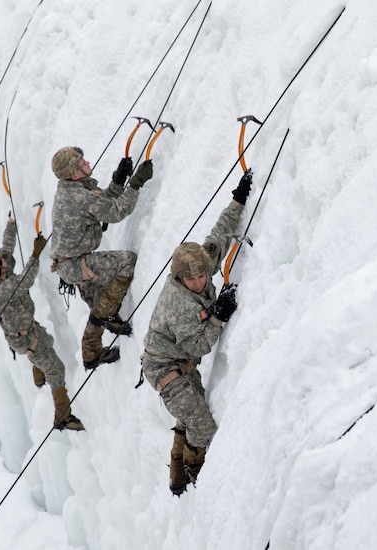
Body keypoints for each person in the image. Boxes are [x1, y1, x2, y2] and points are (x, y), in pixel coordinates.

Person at [141, 169, 253, 496]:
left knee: (190, 417)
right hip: (166, 369)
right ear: (179, 279)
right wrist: (218, 316)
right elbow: (201, 344)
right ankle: (194, 468)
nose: (200, 282)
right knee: (202, 428)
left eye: (203, 276)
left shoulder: (198, 266)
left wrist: (238, 198)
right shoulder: (179, 306)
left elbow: (218, 235)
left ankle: (177, 475)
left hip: (179, 363)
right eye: (192, 281)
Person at [48, 146, 153, 370]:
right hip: (77, 264)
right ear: (74, 173)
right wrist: (135, 184)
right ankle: (101, 331)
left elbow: (99, 204)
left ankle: (96, 345)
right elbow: (114, 212)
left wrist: (118, 180)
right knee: (127, 262)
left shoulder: (72, 188)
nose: (88, 164)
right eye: (82, 163)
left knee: (100, 305)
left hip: (71, 263)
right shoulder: (76, 196)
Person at [0, 215, 84, 431]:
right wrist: (36, 254)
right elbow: (25, 281)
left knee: (47, 344)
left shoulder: (0, 272)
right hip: (26, 339)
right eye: (1, 262)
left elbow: (6, 249)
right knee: (56, 369)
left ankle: (38, 376)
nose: (4, 260)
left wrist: (11, 223)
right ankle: (62, 416)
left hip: (28, 333)